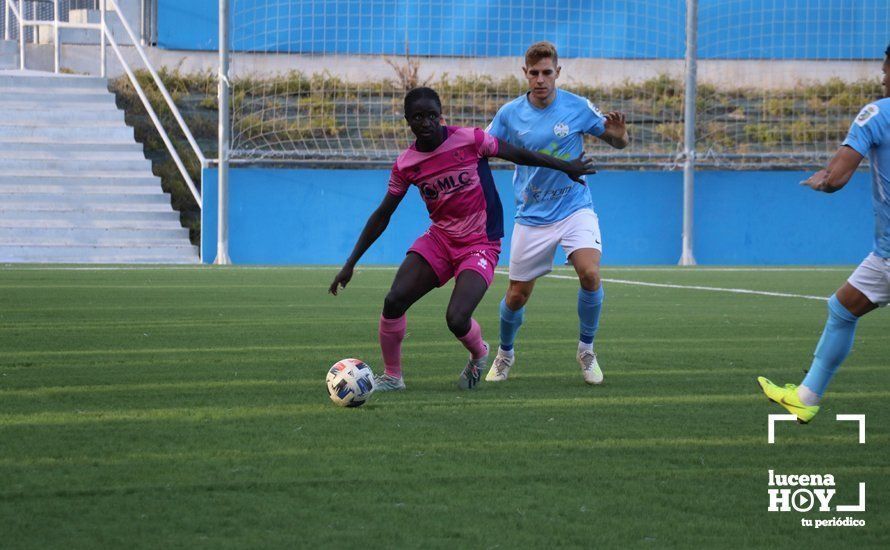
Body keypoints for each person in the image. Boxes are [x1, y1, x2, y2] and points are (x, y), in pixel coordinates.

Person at [329, 87, 597, 391]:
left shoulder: (472, 139)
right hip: (441, 239)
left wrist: (566, 166)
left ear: (441, 115)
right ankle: (392, 377)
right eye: (418, 117)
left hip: (480, 244)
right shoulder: (406, 164)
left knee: (456, 318)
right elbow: (382, 215)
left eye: (432, 115)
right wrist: (350, 263)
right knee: (394, 300)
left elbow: (519, 154)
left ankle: (479, 353)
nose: (426, 122)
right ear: (408, 121)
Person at [483, 41, 629, 385]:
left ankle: (586, 350)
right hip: (532, 216)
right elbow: (483, 147)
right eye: (534, 73)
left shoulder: (577, 107)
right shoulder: (509, 114)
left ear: (557, 73)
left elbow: (614, 139)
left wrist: (621, 137)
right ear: (525, 74)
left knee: (590, 273)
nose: (540, 79)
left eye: (547, 72)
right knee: (517, 295)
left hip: (574, 207)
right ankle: (505, 354)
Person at [758, 45, 890, 423]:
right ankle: (804, 395)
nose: (882, 75)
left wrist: (823, 181)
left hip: (889, 254)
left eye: (886, 68)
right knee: (843, 306)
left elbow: (838, 178)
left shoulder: (876, 115)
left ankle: (806, 396)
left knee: (842, 310)